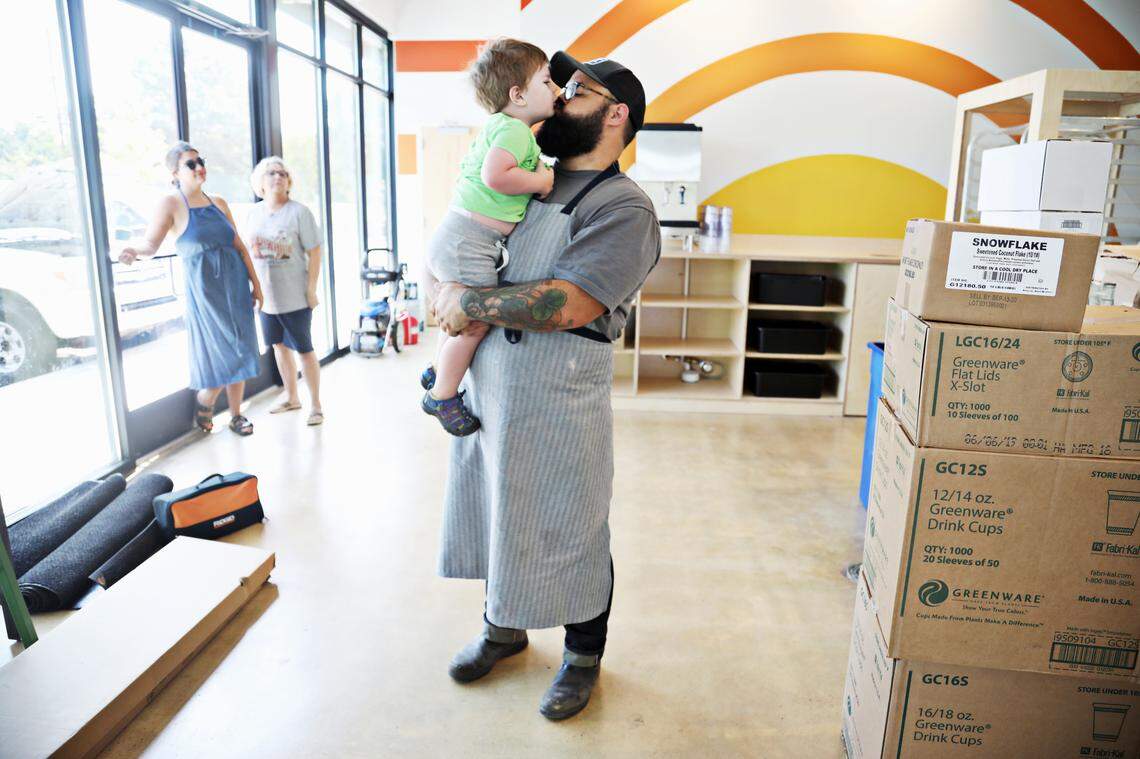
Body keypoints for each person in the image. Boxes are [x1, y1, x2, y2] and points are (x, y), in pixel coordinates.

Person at [431, 53, 660, 720]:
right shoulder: (531, 182)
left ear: (616, 116)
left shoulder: (623, 207)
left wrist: (467, 302)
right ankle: (504, 627)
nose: (558, 99)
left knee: (569, 523)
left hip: (559, 399)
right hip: (495, 390)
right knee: (501, 508)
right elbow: (466, 243)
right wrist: (447, 283)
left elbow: (568, 304)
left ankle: (582, 655)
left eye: (578, 91)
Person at [419, 37, 558, 437]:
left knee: (461, 321)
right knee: (475, 322)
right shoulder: (516, 131)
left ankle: (436, 370)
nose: (554, 91)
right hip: (469, 240)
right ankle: (442, 396)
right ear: (517, 94)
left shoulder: (502, 126)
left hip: (458, 235)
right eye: (546, 82)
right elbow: (496, 176)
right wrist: (542, 181)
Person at [120, 142, 263, 436]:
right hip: (205, 292)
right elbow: (150, 243)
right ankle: (206, 398)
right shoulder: (171, 204)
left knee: (242, 347)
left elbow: (239, 245)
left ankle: (237, 415)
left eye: (201, 161)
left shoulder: (219, 202)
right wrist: (133, 250)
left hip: (235, 285)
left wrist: (256, 285)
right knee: (222, 350)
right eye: (190, 164)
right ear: (174, 172)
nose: (199, 167)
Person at [242, 156, 324, 426]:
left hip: (295, 296)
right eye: (271, 174)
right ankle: (292, 397)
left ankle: (315, 404)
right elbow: (247, 253)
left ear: (289, 181)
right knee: (278, 346)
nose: (277, 177)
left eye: (282, 173)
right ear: (260, 183)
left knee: (304, 349)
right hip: (266, 299)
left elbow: (315, 252)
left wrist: (311, 290)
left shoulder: (299, 213)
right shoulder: (253, 214)